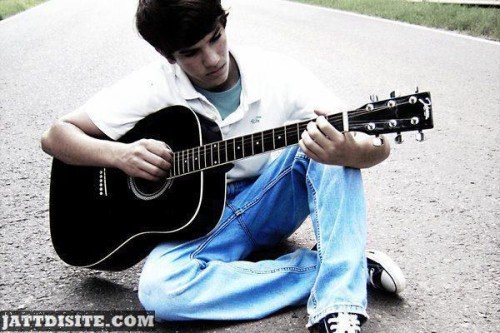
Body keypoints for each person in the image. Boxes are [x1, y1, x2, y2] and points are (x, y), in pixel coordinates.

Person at [41, 0, 406, 332]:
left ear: (223, 22)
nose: (212, 59)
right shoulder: (152, 86)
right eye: (192, 52)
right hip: (203, 224)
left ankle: (337, 304)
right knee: (160, 293)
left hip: (269, 199)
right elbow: (56, 136)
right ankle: (343, 266)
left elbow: (375, 144)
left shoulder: (278, 73)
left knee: (325, 142)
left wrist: (350, 153)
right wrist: (119, 155)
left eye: (216, 38)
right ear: (166, 54)